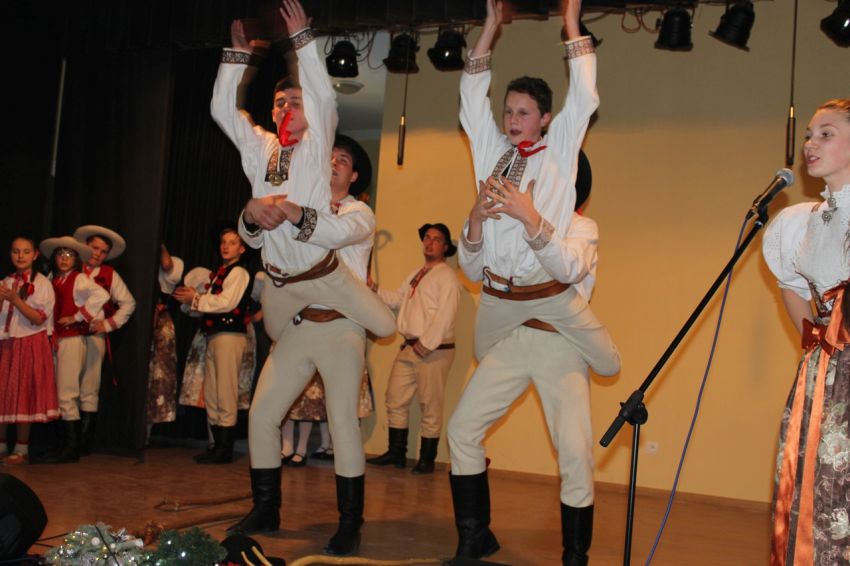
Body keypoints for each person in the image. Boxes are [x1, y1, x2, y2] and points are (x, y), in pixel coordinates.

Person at [447, 0, 621, 562]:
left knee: (574, 453)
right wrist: (489, 29)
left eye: (524, 112)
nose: (513, 119)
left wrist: (571, 27)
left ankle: (575, 557)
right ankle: (474, 537)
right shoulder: (493, 158)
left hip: (554, 333)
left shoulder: (561, 151)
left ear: (545, 118)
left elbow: (584, 96)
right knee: (462, 430)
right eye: (509, 111)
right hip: (506, 321)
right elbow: (470, 97)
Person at [227, 132, 381, 557]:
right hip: (297, 325)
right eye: (328, 157)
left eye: (343, 160)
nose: (332, 164)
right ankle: (266, 509)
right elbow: (253, 238)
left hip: (342, 326)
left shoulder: (359, 213)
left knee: (343, 421)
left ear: (354, 176)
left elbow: (330, 234)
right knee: (262, 415)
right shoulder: (294, 204)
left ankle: (350, 523)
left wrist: (291, 211)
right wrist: (252, 213)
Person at [211, 1, 394, 341]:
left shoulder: (317, 145)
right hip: (280, 279)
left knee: (382, 327)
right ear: (273, 112)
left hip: (319, 272)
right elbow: (222, 111)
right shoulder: (259, 146)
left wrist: (301, 39)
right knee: (277, 337)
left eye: (296, 102)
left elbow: (323, 99)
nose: (287, 108)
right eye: (280, 103)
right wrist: (238, 57)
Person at [762, 98, 850, 565]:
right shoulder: (803, 221)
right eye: (810, 135)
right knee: (815, 487)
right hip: (825, 371)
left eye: (826, 134)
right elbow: (791, 285)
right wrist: (819, 337)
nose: (810, 144)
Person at [366, 223, 461, 474]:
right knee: (395, 398)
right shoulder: (416, 274)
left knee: (430, 405)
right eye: (427, 238)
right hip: (409, 346)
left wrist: (426, 344)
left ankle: (427, 460)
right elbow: (398, 300)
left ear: (446, 247)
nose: (429, 243)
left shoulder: (447, 277)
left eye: (437, 239)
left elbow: (446, 315)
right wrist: (373, 288)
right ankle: (397, 453)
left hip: (435, 350)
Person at [174, 228, 252, 464]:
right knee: (213, 392)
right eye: (223, 242)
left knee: (225, 391)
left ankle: (224, 448)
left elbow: (226, 303)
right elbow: (208, 305)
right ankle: (217, 445)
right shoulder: (219, 274)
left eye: (232, 243)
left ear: (242, 248)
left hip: (229, 336)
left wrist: (196, 299)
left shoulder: (238, 272)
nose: (226, 246)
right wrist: (190, 301)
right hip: (214, 335)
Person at [38, 236, 110, 464]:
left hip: (72, 339)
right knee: (59, 392)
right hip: (57, 339)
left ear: (76, 259)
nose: (64, 259)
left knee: (67, 392)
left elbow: (102, 295)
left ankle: (71, 448)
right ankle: (64, 444)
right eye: (60, 254)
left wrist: (78, 316)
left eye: (69, 255)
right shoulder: (52, 279)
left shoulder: (78, 279)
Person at [72, 225, 136, 455]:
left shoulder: (109, 274)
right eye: (94, 247)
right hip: (68, 336)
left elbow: (128, 303)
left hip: (93, 336)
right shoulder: (70, 268)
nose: (97, 253)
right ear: (85, 246)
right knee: (67, 387)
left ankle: (83, 443)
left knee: (89, 387)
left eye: (103, 251)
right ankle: (67, 440)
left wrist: (108, 324)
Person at [0, 237, 58, 465]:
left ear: (35, 255)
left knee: (25, 392)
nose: (20, 256)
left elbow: (38, 318)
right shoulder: (6, 281)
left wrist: (15, 299)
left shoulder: (42, 284)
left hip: (30, 342)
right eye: (16, 251)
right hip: (7, 342)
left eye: (25, 252)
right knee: (4, 392)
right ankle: (1, 444)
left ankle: (21, 448)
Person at [146, 245, 184, 444]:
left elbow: (168, 265)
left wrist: (159, 245)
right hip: (141, 321)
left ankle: (147, 431)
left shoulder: (170, 269)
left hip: (160, 325)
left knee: (158, 375)